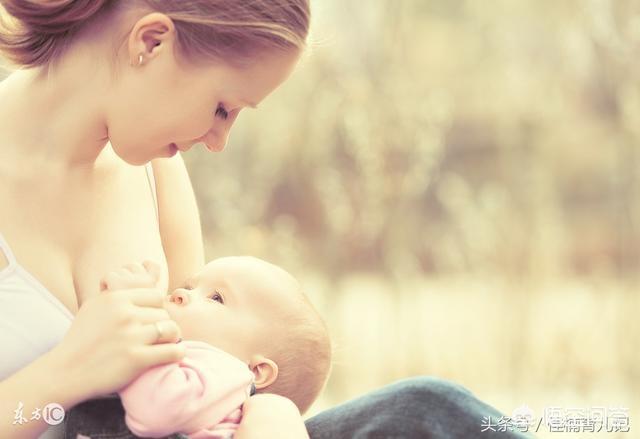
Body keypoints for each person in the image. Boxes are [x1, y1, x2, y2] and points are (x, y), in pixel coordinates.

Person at [0, 1, 534, 438]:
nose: (218, 141)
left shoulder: (157, 176)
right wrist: (65, 374)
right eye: (221, 108)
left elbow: (207, 365)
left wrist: (267, 413)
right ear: (151, 42)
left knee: (423, 412)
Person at [102, 257, 330, 438]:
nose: (181, 293)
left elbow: (156, 409)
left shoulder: (228, 371)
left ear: (256, 371)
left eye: (216, 298)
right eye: (190, 287)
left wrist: (139, 319)